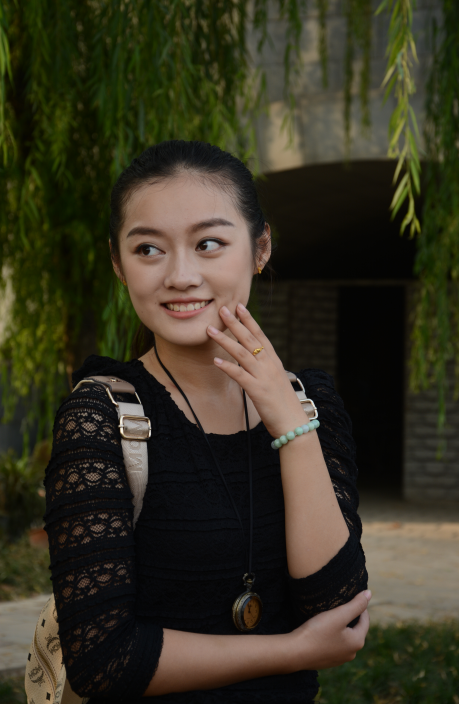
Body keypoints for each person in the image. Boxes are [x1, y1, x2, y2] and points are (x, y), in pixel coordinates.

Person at [44, 140, 370, 704]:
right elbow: (102, 660)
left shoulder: (311, 403)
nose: (181, 275)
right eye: (149, 249)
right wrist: (292, 651)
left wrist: (289, 423)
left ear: (260, 248)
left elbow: (338, 608)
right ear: (119, 265)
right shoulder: (99, 418)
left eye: (209, 243)